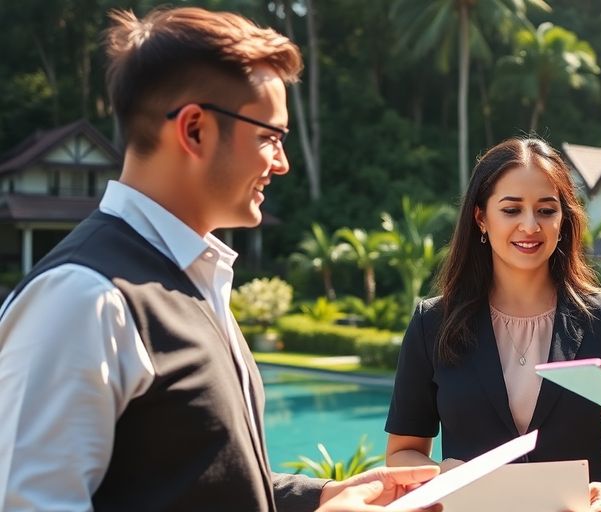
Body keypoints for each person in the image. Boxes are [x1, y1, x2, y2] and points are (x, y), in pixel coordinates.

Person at [0, 7, 439, 512]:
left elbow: (203, 482)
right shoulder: (84, 298)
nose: (282, 162)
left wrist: (319, 497)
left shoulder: (192, 278)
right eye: (270, 137)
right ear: (194, 130)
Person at [384, 138, 601, 511]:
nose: (530, 226)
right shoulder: (432, 323)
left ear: (563, 219)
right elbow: (404, 451)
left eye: (546, 210)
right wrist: (444, 480)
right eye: (511, 209)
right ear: (481, 217)